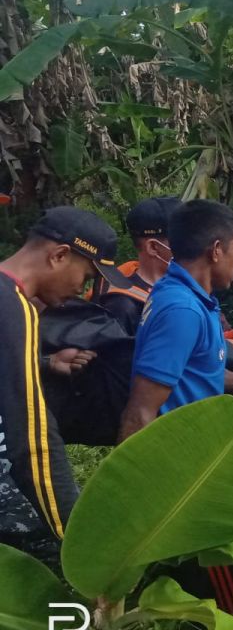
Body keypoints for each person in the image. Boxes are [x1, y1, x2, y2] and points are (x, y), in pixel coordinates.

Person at [0, 207, 132, 562]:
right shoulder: (15, 308)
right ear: (59, 255)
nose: (82, 289)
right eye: (86, 275)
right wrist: (78, 537)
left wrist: (43, 364)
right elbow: (30, 439)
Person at [118, 200, 233, 441]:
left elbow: (201, 369)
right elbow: (141, 409)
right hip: (177, 454)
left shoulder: (194, 298)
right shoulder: (182, 310)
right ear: (216, 250)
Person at [92, 196, 181, 335]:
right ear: (153, 247)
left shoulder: (185, 284)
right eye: (183, 240)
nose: (193, 246)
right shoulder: (122, 305)